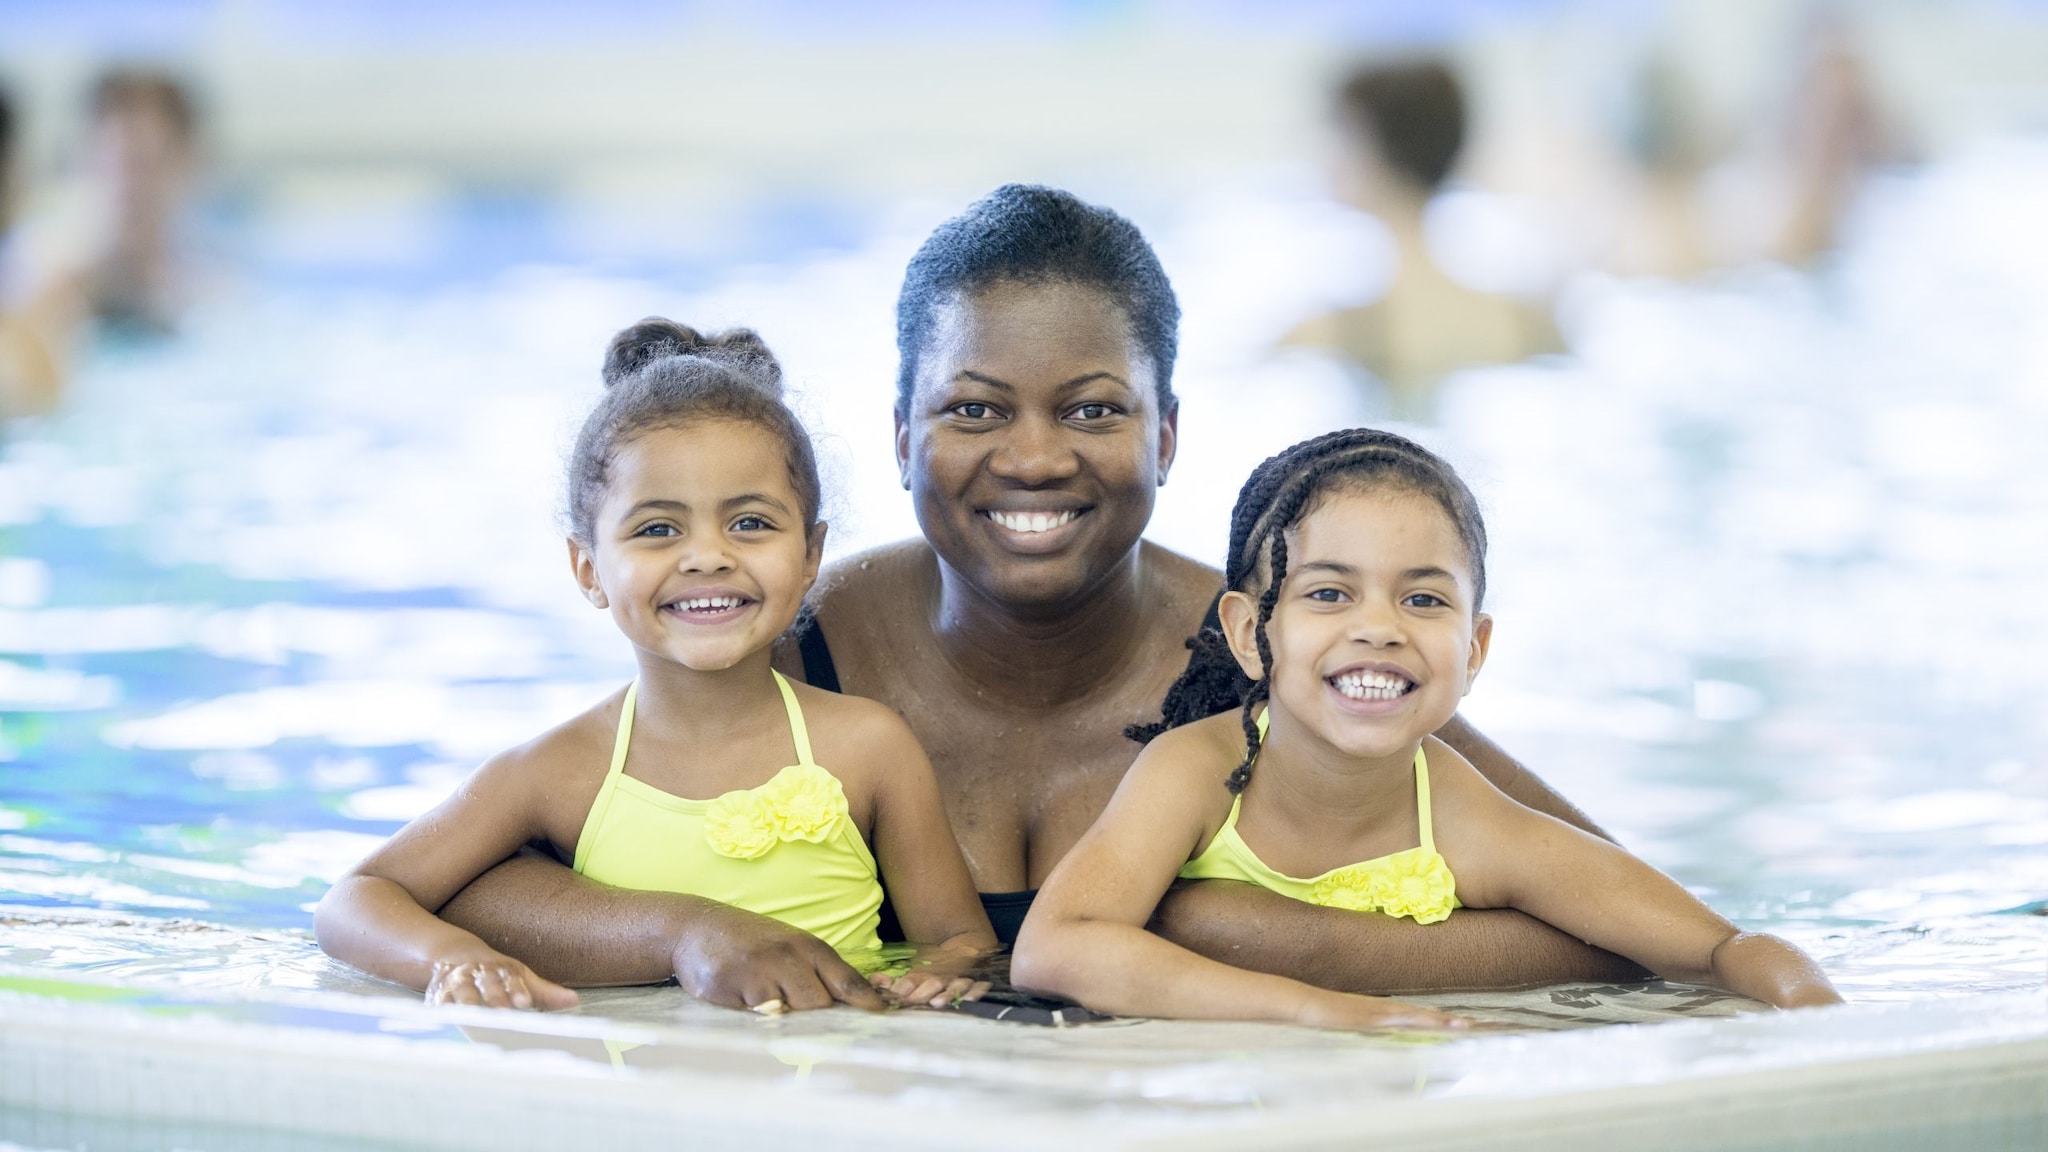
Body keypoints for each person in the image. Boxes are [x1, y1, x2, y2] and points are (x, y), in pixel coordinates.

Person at [438, 185, 1647, 1011]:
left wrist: (1261, 941)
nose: (1031, 458)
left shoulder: (1279, 659)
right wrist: (678, 930)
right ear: (898, 438)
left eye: (1092, 409)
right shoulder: (783, 653)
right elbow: (469, 882)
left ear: (1165, 434)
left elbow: (1616, 918)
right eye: (971, 409)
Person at [1011, 429, 1843, 1028]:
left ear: (1474, 647)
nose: (1379, 628)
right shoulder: (1193, 772)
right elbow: (1055, 950)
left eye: (1424, 599)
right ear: (1247, 634)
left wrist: (1824, 1021)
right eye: (1329, 594)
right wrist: (1314, 1009)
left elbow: (1717, 947)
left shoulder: (1458, 813)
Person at [315, 320, 996, 1012]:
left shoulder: (868, 746)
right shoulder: (560, 770)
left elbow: (959, 939)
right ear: (589, 569)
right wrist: (457, 958)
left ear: (811, 554)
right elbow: (357, 899)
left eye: (751, 523)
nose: (707, 556)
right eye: (657, 529)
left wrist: (936, 973)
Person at [1282, 59, 1560, 419]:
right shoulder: (1531, 322)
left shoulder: (1320, 335)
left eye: (1338, 131)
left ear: (1369, 144)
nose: (1324, 152)